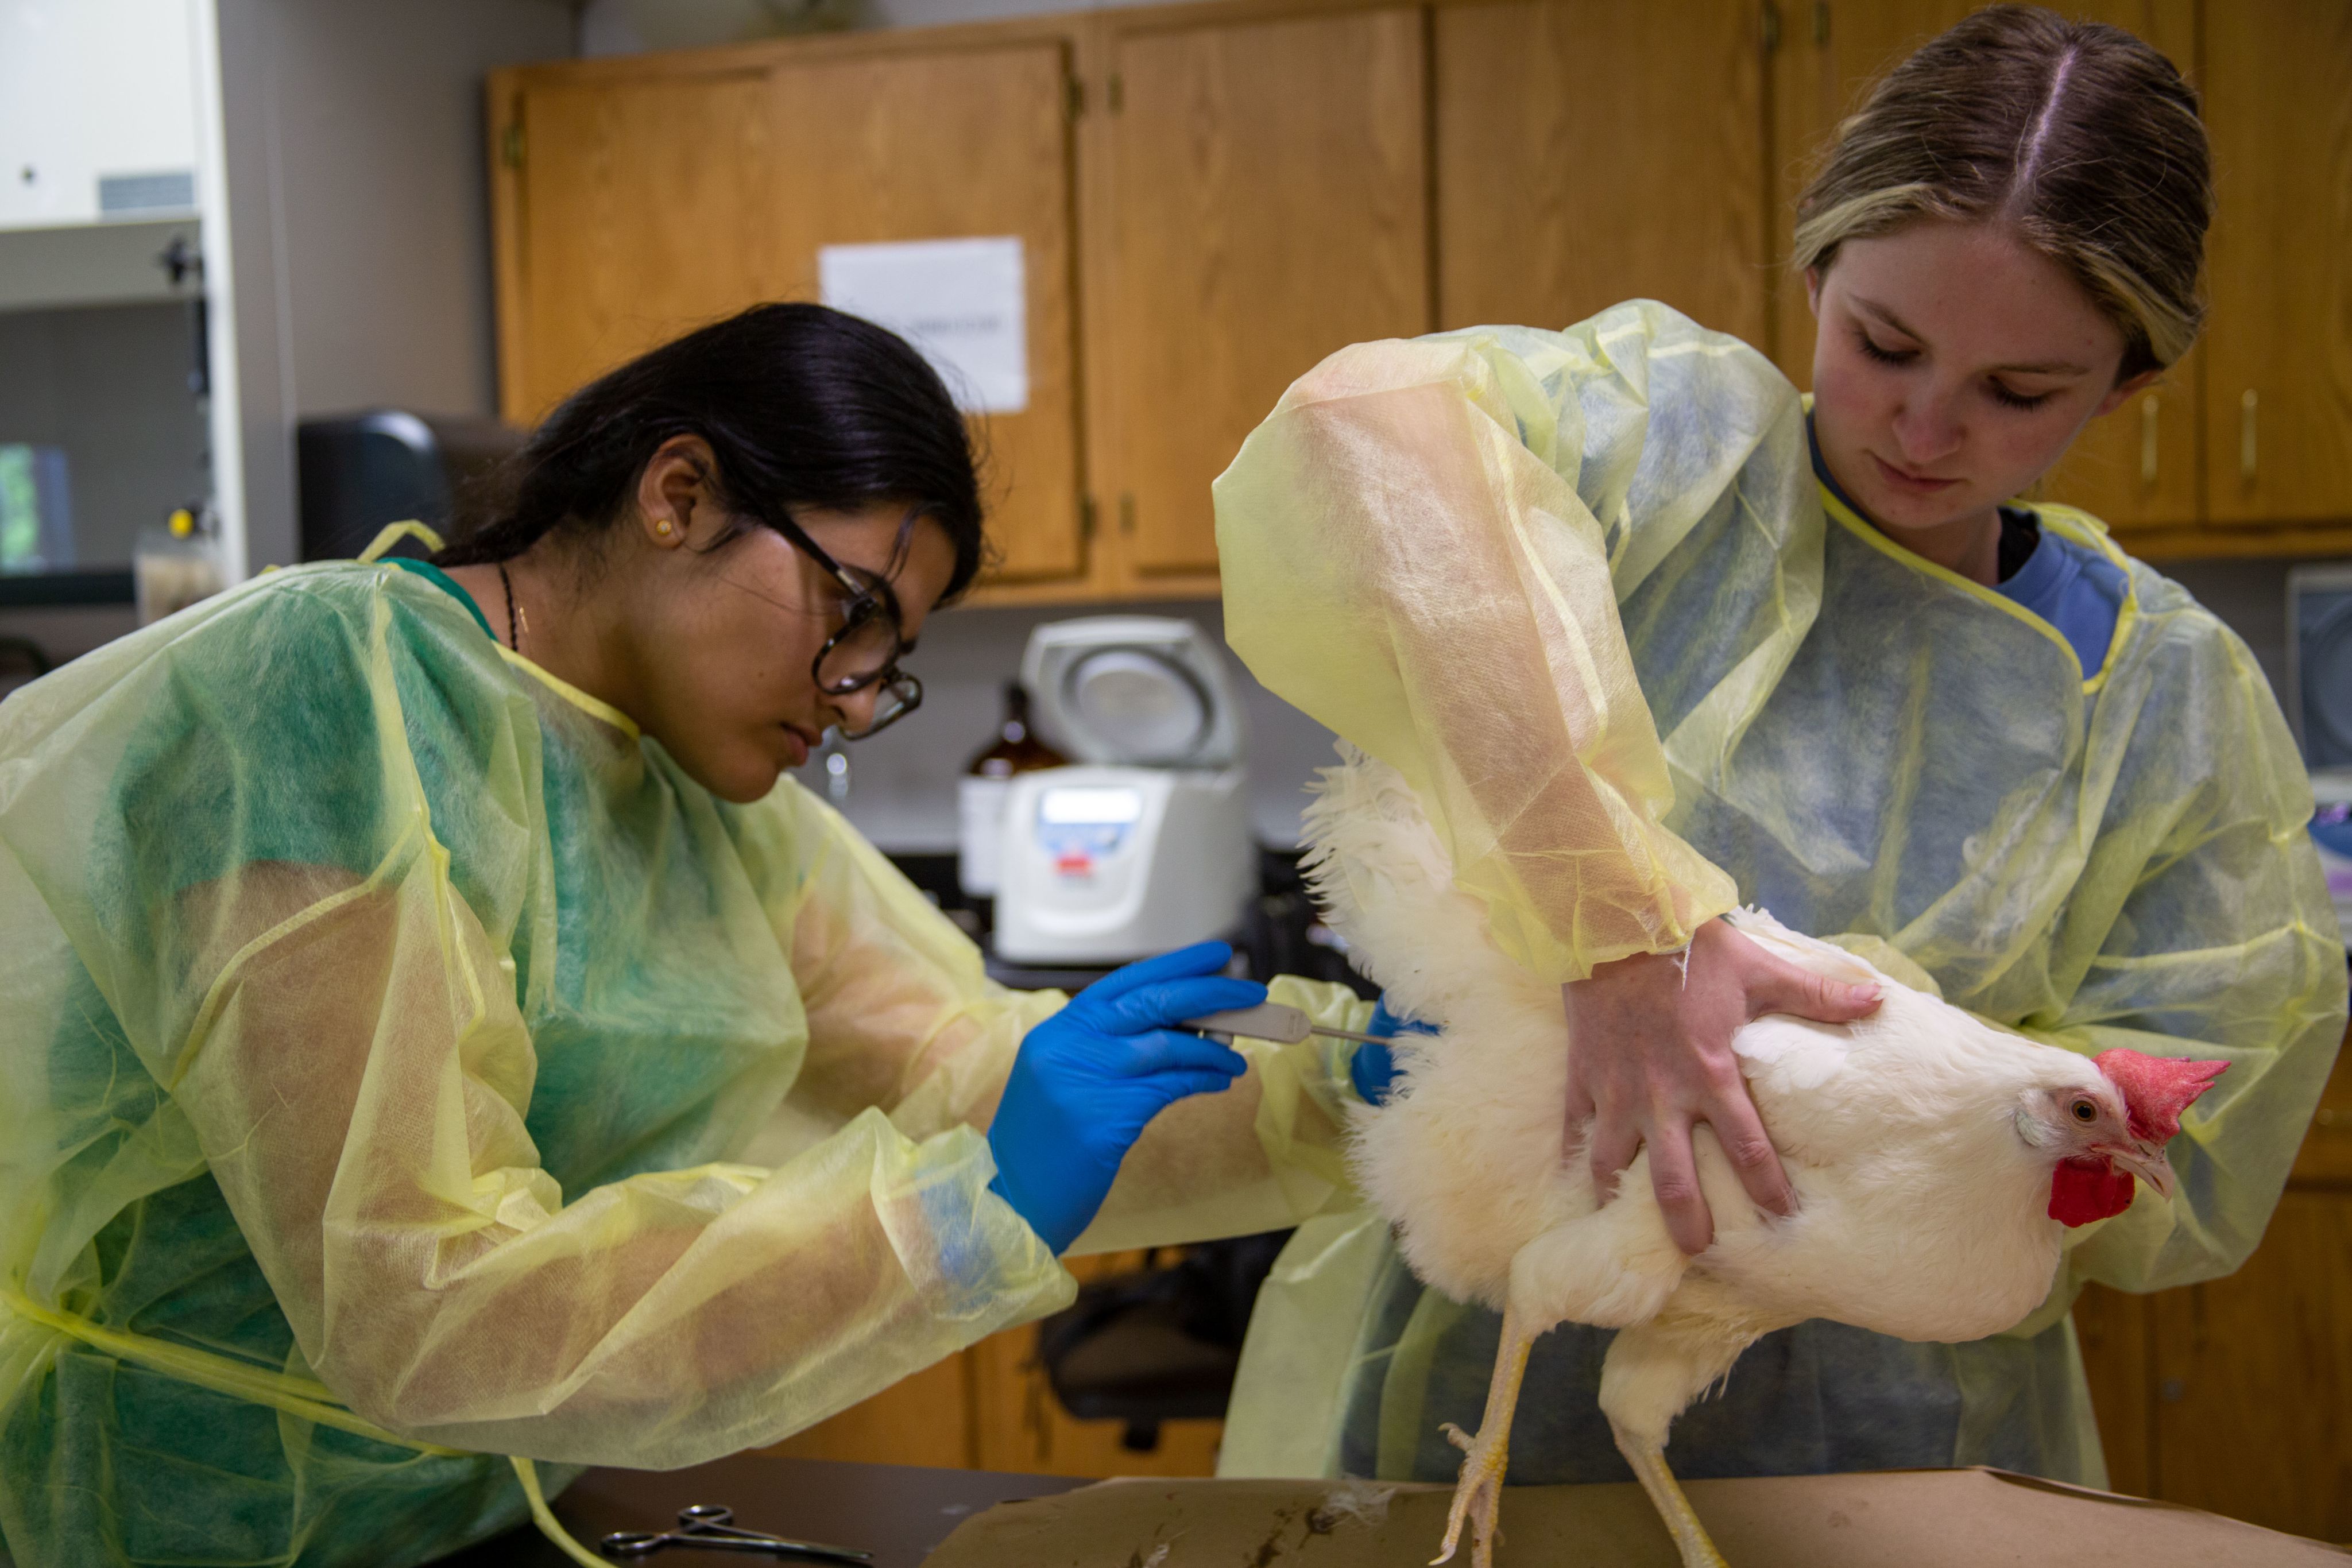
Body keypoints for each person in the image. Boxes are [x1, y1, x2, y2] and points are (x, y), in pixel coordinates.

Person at [0, 304, 1372, 1568]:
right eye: (852, 616)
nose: (849, 700)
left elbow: (953, 1066)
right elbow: (421, 1307)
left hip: (487, 1502)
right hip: (183, 1520)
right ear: (678, 494)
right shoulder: (314, 702)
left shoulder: (692, 788)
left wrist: (1346, 1095)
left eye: (882, 663)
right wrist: (958, 1219)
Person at [1211, 7, 2345, 1490]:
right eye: (1883, 341)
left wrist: (1883, 1118)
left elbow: (2186, 1129)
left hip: (1908, 1440)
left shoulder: (2162, 697)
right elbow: (1360, 425)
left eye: (2022, 392)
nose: (1926, 423)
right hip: (1490, 1365)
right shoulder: (1659, 470)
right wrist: (1621, 923)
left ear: (2127, 389)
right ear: (1815, 272)